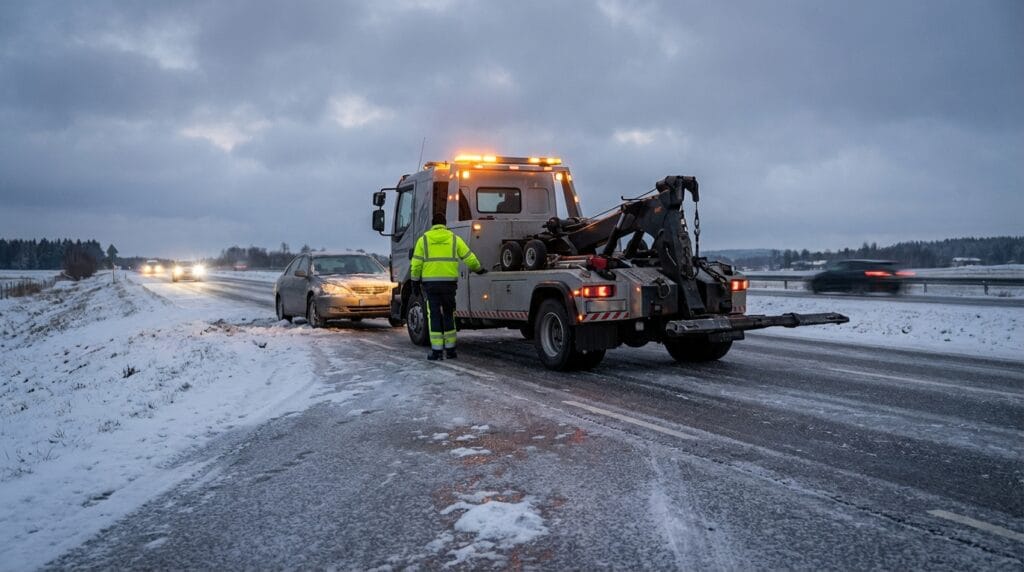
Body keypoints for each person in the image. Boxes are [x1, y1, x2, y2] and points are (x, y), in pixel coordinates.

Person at [410, 213, 487, 360]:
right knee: (448, 314)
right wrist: (479, 269)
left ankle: (437, 351)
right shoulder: (454, 238)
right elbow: (468, 257)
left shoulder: (423, 240)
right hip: (449, 285)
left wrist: (414, 282)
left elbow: (416, 264)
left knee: (434, 316)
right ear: (444, 223)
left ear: (433, 224)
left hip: (431, 285)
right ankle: (451, 350)